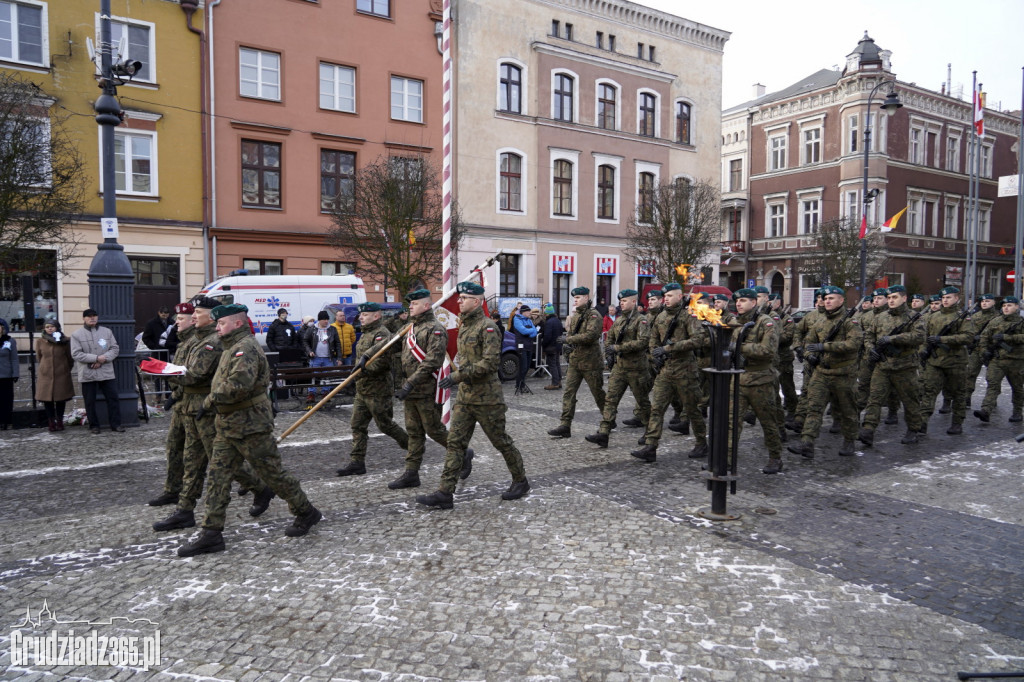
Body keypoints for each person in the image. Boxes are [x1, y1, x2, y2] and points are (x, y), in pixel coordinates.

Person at [177, 304, 322, 557]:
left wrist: (209, 401)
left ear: (236, 323)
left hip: (251, 425)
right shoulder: (229, 347)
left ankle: (306, 511)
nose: (217, 327)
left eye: (221, 323)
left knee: (273, 474)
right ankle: (211, 533)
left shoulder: (245, 348)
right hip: (227, 424)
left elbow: (238, 385)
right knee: (217, 478)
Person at [153, 298, 268, 531]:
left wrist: (163, 371)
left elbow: (195, 374)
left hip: (206, 409)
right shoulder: (196, 339)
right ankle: (185, 510)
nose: (193, 316)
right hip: (190, 407)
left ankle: (260, 487)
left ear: (212, 315)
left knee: (222, 461)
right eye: (192, 313)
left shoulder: (213, 341)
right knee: (192, 461)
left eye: (197, 312)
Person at [417, 280, 529, 509]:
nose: (459, 301)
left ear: (476, 302)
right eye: (458, 298)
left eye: (464, 298)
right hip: (466, 398)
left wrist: (457, 377)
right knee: (455, 444)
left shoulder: (487, 327)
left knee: (501, 442)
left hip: (487, 399)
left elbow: (489, 363)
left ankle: (521, 481)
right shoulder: (465, 325)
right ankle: (445, 493)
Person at [391, 288, 471, 490]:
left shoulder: (435, 329)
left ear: (426, 306)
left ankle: (462, 452)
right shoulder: (409, 328)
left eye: (414, 303)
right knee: (414, 432)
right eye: (410, 304)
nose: (410, 306)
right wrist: (368, 356)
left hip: (425, 389)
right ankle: (411, 473)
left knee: (434, 430)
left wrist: (410, 383)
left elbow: (431, 362)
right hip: (411, 391)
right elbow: (391, 346)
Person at [630, 282, 708, 463]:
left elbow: (698, 339)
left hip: (685, 371)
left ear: (680, 297)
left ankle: (702, 442)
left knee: (692, 409)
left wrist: (669, 348)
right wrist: (654, 355)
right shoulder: (661, 316)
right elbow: (652, 339)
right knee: (657, 408)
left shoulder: (689, 315)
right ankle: (650, 446)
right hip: (665, 371)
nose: (666, 299)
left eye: (670, 296)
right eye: (665, 296)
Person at [788, 286, 863, 463]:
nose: (827, 301)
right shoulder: (819, 321)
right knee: (814, 408)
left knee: (848, 409)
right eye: (825, 298)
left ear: (841, 300)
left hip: (843, 373)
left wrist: (825, 347)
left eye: (831, 298)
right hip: (821, 372)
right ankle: (807, 442)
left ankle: (850, 440)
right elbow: (808, 342)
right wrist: (810, 356)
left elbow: (854, 344)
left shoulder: (850, 322)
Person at [336, 302, 410, 477]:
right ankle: (357, 462)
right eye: (361, 315)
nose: (361, 317)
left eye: (365, 315)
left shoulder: (382, 334)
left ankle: (414, 447)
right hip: (362, 391)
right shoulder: (365, 334)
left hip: (378, 390)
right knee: (357, 425)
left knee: (386, 425)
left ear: (376, 316)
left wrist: (358, 374)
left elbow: (380, 364)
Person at [723, 288, 783, 472]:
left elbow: (768, 351)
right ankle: (726, 460)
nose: (739, 304)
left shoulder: (765, 322)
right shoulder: (735, 323)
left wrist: (741, 348)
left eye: (743, 300)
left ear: (754, 303)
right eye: (737, 301)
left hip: (760, 381)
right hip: (739, 379)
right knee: (732, 422)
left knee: (768, 421)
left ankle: (775, 457)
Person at [859, 285, 926, 446]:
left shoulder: (914, 317)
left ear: (904, 298)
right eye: (889, 298)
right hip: (882, 365)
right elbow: (868, 336)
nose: (891, 301)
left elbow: (919, 337)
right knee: (874, 399)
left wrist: (893, 339)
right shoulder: (880, 317)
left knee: (910, 400)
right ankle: (868, 430)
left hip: (905, 367)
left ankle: (913, 429)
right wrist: (871, 350)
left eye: (894, 297)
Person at [585, 289, 650, 448]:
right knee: (610, 400)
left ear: (634, 302)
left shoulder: (641, 321)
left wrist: (618, 348)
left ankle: (651, 432)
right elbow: (610, 338)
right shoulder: (619, 321)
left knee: (642, 402)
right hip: (620, 368)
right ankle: (604, 432)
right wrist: (609, 351)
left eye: (625, 301)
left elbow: (642, 342)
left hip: (636, 368)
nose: (621, 303)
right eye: (620, 301)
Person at [147, 302, 194, 507]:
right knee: (174, 447)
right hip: (181, 402)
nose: (176, 322)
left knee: (213, 455)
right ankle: (173, 490)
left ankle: (257, 486)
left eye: (181, 319)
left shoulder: (201, 342)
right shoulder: (182, 341)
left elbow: (195, 375)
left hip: (196, 405)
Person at [548, 287, 605, 439]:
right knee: (569, 393)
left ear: (586, 298)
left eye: (578, 297)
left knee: (598, 393)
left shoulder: (594, 315)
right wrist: (567, 347)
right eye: (574, 298)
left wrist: (568, 339)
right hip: (575, 361)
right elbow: (572, 334)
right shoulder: (575, 316)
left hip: (591, 362)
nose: (575, 300)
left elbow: (591, 336)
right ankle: (565, 425)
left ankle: (608, 420)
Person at [919, 286, 974, 435]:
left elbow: (968, 337)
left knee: (958, 393)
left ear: (956, 299)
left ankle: (957, 423)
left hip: (955, 362)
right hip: (935, 361)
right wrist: (923, 350)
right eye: (943, 298)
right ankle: (922, 422)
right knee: (929, 391)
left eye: (948, 297)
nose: (945, 300)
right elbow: (925, 337)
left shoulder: (963, 317)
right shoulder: (933, 316)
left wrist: (942, 339)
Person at [70, 308, 122, 434]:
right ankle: (94, 425)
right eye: (89, 316)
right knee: (89, 401)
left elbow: (114, 349)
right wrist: (95, 358)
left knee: (113, 398)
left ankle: (116, 424)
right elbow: (76, 354)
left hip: (106, 372)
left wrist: (102, 360)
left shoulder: (107, 332)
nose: (92, 318)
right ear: (84, 318)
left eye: (94, 316)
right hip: (88, 373)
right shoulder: (76, 335)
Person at [974, 296, 1024, 424]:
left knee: (1017, 388)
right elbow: (984, 337)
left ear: (1017, 307)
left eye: (1009, 305)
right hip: (997, 360)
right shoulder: (995, 321)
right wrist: (984, 351)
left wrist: (1007, 337)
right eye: (1004, 306)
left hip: (1016, 360)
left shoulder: (1021, 322)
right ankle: (986, 410)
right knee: (992, 385)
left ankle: (1017, 411)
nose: (1006, 308)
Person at [35, 318, 74, 432]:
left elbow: (69, 358)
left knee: (60, 399)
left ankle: (60, 421)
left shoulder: (65, 341)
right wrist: (44, 368)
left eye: (52, 326)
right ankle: (51, 422)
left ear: (57, 327)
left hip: (61, 374)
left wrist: (65, 368)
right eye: (47, 327)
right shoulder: (40, 341)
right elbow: (39, 357)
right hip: (46, 375)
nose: (49, 328)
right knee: (48, 400)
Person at [965, 293, 999, 407]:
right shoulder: (975, 316)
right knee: (970, 373)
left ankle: (991, 400)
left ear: (993, 302)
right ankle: (967, 397)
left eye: (987, 301)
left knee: (993, 376)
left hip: (991, 350)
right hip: (976, 349)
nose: (984, 303)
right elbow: (969, 331)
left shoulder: (998, 317)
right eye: (983, 302)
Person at [302, 311, 341, 409]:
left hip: (328, 358)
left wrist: (339, 358)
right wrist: (309, 351)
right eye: (324, 319)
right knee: (313, 376)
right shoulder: (312, 329)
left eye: (327, 319)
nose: (326, 321)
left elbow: (337, 344)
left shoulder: (332, 329)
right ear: (320, 320)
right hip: (315, 358)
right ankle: (312, 393)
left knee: (327, 377)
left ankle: (325, 393)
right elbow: (305, 341)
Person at [510, 304, 538, 392]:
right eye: (528, 311)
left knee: (527, 366)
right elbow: (523, 331)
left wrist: (530, 331)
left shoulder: (529, 320)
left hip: (529, 345)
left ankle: (522, 384)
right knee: (523, 366)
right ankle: (519, 385)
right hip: (521, 345)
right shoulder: (517, 319)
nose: (530, 313)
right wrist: (531, 331)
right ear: (523, 312)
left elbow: (535, 332)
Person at [540, 303, 564, 390]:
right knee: (557, 364)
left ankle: (555, 383)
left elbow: (547, 336)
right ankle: (559, 381)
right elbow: (561, 331)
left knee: (552, 365)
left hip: (551, 346)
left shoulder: (549, 322)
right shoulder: (557, 320)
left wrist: (543, 345)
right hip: (557, 346)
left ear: (547, 313)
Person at [0, 319, 18, 430]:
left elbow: (14, 359)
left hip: (6, 375)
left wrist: (15, 373)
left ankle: (5, 420)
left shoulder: (10, 341)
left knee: (6, 399)